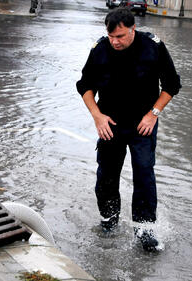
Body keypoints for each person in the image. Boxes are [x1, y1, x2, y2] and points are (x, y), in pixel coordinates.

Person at [76, 7, 181, 252]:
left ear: (133, 29)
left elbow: (172, 85)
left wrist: (153, 114)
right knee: (106, 174)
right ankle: (109, 219)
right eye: (111, 36)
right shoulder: (100, 49)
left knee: (144, 173)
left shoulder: (153, 46)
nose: (115, 41)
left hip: (142, 124)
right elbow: (85, 86)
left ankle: (145, 228)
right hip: (109, 124)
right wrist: (97, 116)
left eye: (120, 36)